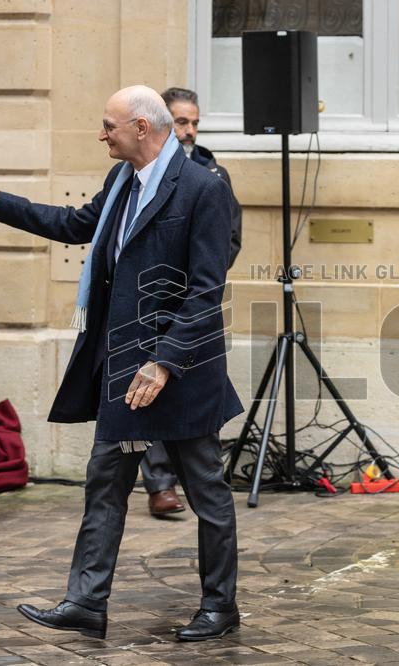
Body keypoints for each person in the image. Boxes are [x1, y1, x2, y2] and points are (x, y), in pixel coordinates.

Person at [0, 85, 243, 642]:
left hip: (179, 374)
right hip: (123, 372)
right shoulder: (121, 180)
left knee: (207, 493)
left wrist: (163, 364)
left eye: (108, 126)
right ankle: (86, 603)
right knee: (106, 484)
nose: (101, 135)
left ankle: (220, 606)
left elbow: (206, 292)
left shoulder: (204, 189)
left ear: (141, 127)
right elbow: (75, 224)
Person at [139, 87, 244, 518]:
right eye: (182, 122)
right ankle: (159, 484)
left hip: (195, 304)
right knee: (148, 387)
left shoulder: (213, 173)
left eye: (195, 123)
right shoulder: (141, 172)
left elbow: (230, 237)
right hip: (151, 302)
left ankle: (197, 485)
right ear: (163, 123)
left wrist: (204, 269)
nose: (190, 131)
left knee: (190, 391)